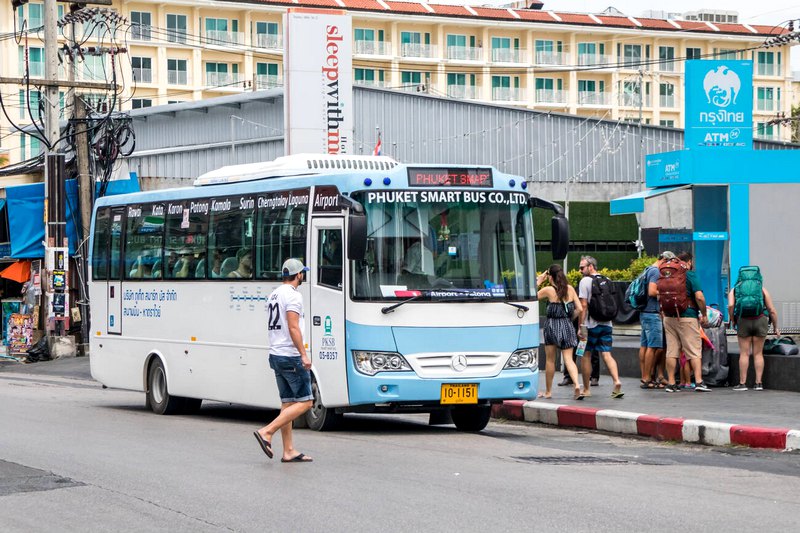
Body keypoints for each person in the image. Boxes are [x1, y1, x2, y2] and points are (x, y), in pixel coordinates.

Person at [254, 258, 314, 463]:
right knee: (306, 402)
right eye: (302, 273)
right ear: (298, 275)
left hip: (276, 354)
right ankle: (267, 431)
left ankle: (288, 450)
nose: (303, 276)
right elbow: (293, 326)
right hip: (290, 355)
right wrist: (303, 354)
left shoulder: (274, 294)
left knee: (288, 403)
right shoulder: (293, 296)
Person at [659, 250, 711, 393]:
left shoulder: (667, 274)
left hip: (669, 316)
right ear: (689, 262)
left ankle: (670, 383)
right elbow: (699, 297)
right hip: (687, 316)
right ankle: (699, 381)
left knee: (671, 350)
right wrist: (704, 314)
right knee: (694, 350)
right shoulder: (689, 274)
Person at [578, 256, 624, 399]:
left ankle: (586, 389)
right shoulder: (608, 280)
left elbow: (584, 306)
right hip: (607, 324)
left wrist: (581, 325)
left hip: (590, 325)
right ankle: (616, 381)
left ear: (591, 266)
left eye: (582, 267)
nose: (580, 271)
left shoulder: (585, 281)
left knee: (586, 355)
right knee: (607, 354)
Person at [536, 264, 584, 401]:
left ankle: (549, 392)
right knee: (569, 359)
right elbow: (579, 309)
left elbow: (530, 297)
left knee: (550, 360)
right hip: (567, 326)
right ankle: (576, 385)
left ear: (550, 276)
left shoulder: (548, 290)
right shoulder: (570, 289)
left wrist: (539, 281)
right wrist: (569, 319)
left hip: (552, 326)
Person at [729, 266, 780, 391]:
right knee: (758, 353)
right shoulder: (761, 289)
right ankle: (758, 383)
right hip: (760, 320)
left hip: (743, 321)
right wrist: (775, 327)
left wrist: (732, 319)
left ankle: (742, 383)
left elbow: (730, 305)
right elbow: (772, 310)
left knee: (744, 353)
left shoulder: (735, 289)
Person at [639, 255, 665, 389]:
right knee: (653, 346)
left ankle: (644, 376)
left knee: (644, 345)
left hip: (644, 312)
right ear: (664, 260)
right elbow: (652, 291)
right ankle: (647, 377)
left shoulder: (647, 269)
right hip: (652, 313)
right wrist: (665, 293)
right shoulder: (655, 271)